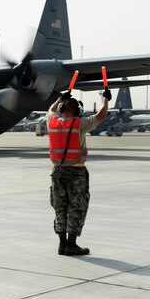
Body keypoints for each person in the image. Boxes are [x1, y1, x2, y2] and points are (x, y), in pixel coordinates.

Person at [46, 88, 111, 256]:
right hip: (76, 173)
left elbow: (51, 110)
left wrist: (60, 98)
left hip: (57, 173)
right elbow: (101, 115)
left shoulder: (52, 121)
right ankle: (72, 243)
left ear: (62, 109)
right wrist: (105, 99)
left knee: (60, 207)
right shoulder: (79, 124)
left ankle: (62, 244)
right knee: (77, 207)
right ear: (78, 111)